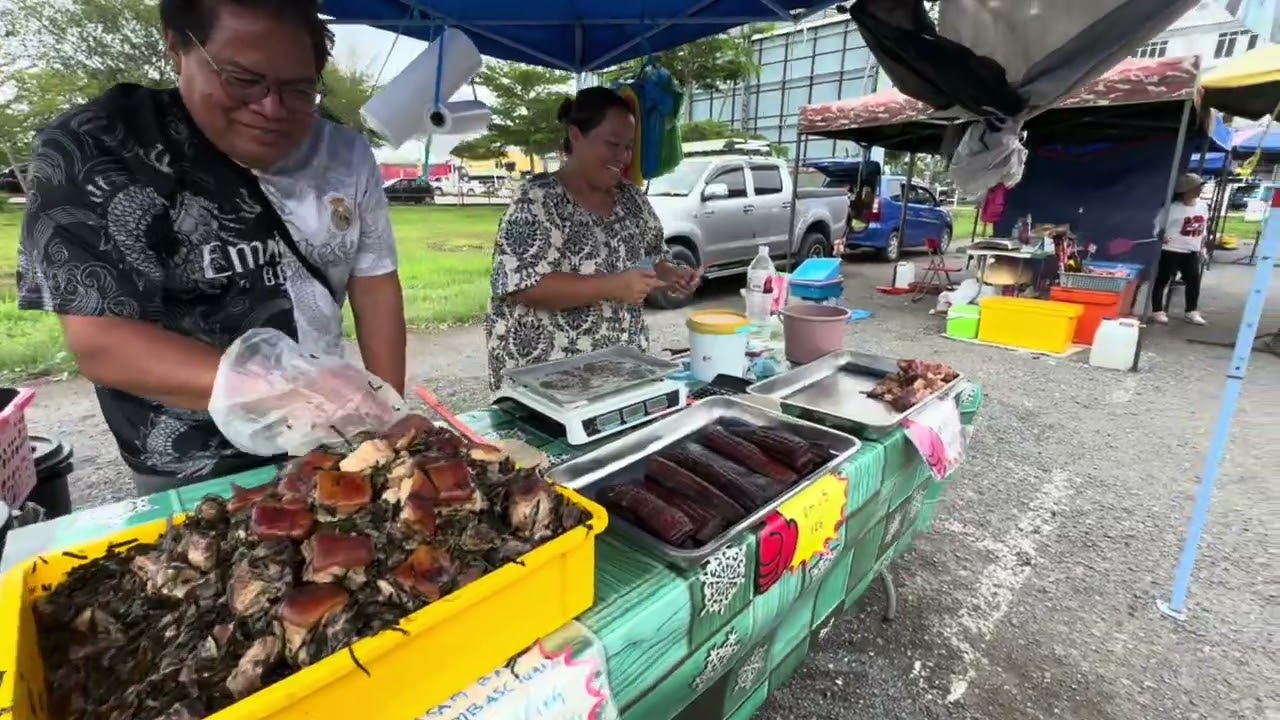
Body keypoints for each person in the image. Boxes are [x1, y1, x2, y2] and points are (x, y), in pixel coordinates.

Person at [16, 0, 407, 494]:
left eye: (298, 88)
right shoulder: (97, 148)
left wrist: (388, 411)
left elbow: (374, 284)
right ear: (177, 46)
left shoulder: (346, 154)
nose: (271, 108)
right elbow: (102, 341)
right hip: (191, 456)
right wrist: (289, 388)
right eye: (243, 79)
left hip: (330, 434)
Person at [484, 87, 701, 391]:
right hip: (547, 377)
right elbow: (523, 285)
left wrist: (673, 273)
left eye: (627, 147)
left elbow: (652, 257)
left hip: (620, 371)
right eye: (612, 144)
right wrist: (615, 286)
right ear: (576, 136)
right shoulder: (538, 200)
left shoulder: (631, 199)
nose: (623, 157)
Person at [1150, 173, 1208, 326]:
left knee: (1193, 281)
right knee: (1163, 280)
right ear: (1186, 190)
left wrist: (1202, 247)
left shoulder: (1202, 206)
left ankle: (1191, 311)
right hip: (1171, 250)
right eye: (1197, 187)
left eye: (1200, 186)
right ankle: (1157, 311)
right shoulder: (1171, 209)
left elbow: (1203, 228)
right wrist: (1160, 235)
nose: (1200, 189)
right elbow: (1157, 227)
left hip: (1191, 251)